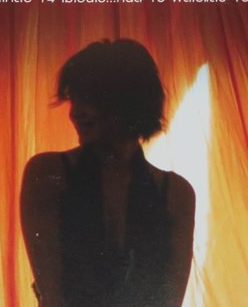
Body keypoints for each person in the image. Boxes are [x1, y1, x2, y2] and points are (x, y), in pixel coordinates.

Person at [21, 40, 196, 307]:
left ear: (127, 101)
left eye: (89, 98)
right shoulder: (46, 173)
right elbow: (52, 297)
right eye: (74, 98)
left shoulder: (177, 193)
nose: (75, 112)